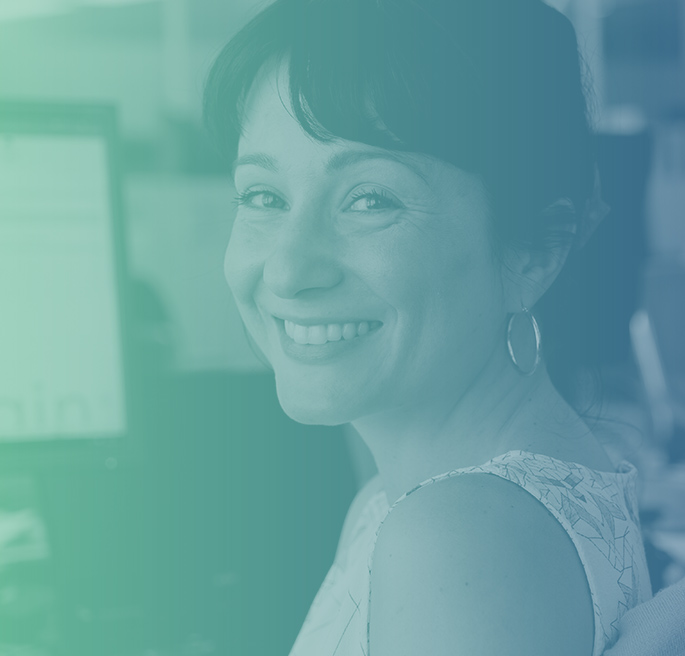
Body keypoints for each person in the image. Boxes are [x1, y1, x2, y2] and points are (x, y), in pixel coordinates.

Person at [202, 1, 651, 654]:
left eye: (370, 199)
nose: (289, 270)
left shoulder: (459, 541)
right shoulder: (407, 506)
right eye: (263, 196)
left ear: (534, 252)